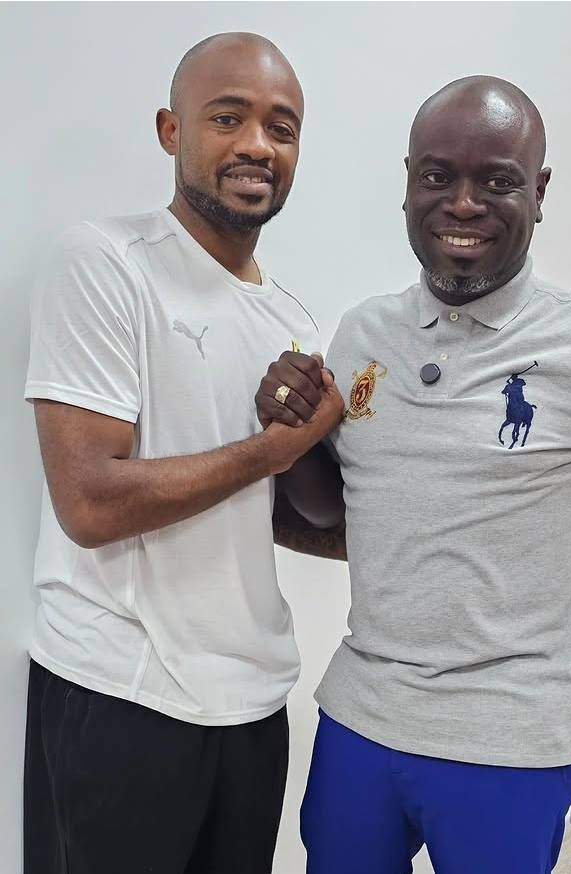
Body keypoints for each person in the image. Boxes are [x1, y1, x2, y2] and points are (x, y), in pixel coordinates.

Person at [256, 76, 571, 873]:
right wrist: (290, 434)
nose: (463, 203)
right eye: (438, 176)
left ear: (539, 193)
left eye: (498, 181)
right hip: (361, 720)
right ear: (408, 183)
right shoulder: (364, 334)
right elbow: (338, 512)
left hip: (512, 742)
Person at [23, 32, 343, 874]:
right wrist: (272, 450)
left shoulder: (293, 321)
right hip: (121, 695)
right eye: (227, 118)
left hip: (251, 702)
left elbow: (267, 511)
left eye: (281, 128)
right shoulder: (104, 263)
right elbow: (89, 502)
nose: (257, 145)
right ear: (172, 130)